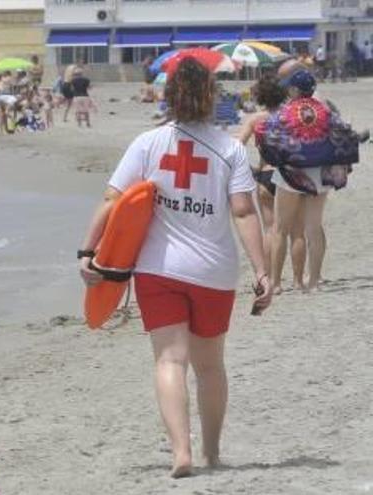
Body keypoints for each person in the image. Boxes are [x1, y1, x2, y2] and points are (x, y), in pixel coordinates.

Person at [79, 57, 272, 478]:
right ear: (210, 96)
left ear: (169, 96)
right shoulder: (230, 149)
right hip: (214, 273)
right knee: (210, 365)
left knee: (170, 361)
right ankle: (213, 451)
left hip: (158, 271)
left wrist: (86, 252)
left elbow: (114, 201)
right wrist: (262, 271)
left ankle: (180, 451)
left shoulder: (148, 144)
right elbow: (243, 213)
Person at [238, 74, 304, 288]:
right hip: (291, 175)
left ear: (260, 97)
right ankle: (297, 281)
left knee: (271, 229)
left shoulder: (256, 119)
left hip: (266, 174)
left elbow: (237, 146)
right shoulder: (293, 116)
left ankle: (271, 280)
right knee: (296, 230)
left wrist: (249, 169)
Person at [269, 68, 328, 292]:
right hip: (319, 172)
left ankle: (275, 283)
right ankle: (312, 280)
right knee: (313, 228)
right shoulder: (324, 110)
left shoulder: (287, 111)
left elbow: (271, 137)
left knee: (280, 229)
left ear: (295, 89)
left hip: (291, 172)